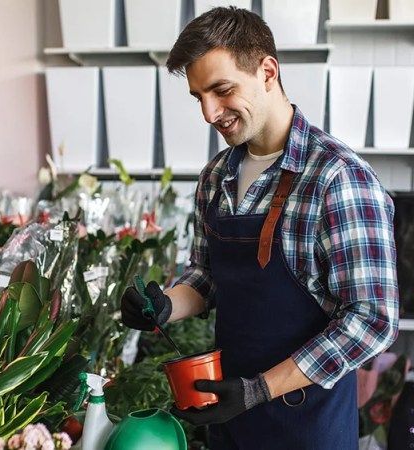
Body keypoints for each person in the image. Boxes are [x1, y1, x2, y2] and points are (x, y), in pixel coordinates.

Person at [120, 7, 399, 449]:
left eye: (222, 90)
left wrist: (260, 389)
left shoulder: (337, 178)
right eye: (199, 97)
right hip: (229, 418)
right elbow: (207, 275)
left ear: (267, 71)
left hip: (307, 426)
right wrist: (164, 305)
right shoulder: (215, 176)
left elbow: (373, 320)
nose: (210, 113)